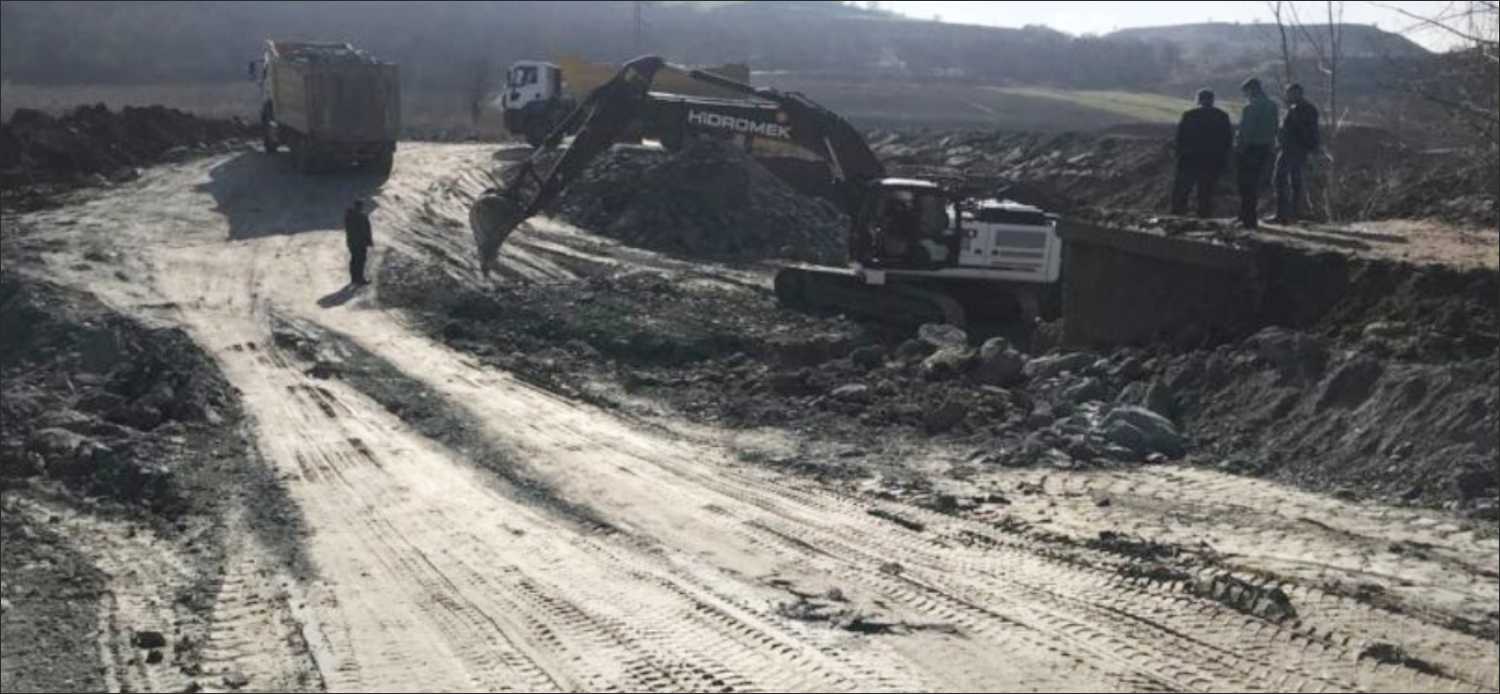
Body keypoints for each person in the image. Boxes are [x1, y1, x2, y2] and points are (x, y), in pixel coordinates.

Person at [1171, 88, 1233, 218]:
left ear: (1199, 100)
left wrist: (1178, 154)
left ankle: (1178, 215)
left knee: (1182, 190)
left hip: (1189, 158)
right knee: (1206, 191)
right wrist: (1225, 160)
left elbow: (1180, 138)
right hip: (1212, 159)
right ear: (1212, 100)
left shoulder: (1189, 115)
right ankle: (1204, 216)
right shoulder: (1222, 116)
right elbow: (1228, 140)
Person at [1271, 83, 1320, 224]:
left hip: (1294, 149)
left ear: (1297, 93)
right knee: (1294, 180)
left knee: (1281, 178)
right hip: (1292, 148)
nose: (1287, 96)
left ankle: (1284, 214)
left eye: (1289, 93)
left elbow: (1307, 130)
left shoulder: (1304, 109)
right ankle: (1293, 213)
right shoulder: (1299, 108)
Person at [1235, 77, 1279, 229]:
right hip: (1266, 149)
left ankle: (1248, 219)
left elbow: (1246, 131)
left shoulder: (1250, 107)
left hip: (1250, 149)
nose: (1245, 95)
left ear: (1251, 89)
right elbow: (1275, 127)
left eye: (1245, 92)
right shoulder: (1273, 105)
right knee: (1256, 184)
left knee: (1246, 185)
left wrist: (1240, 149)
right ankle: (1245, 215)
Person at [344, 199, 373, 285]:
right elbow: (366, 230)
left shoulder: (349, 216)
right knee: (360, 260)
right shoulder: (361, 216)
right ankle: (359, 279)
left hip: (352, 242)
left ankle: (354, 279)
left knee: (354, 260)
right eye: (360, 206)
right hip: (360, 242)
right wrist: (368, 240)